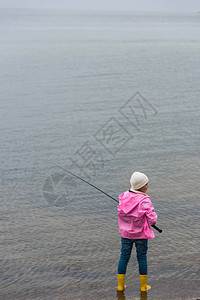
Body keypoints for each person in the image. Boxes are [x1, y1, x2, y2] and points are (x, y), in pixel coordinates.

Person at [117, 171, 158, 292]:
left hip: (126, 234)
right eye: (146, 184)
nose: (148, 185)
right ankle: (143, 287)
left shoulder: (123, 196)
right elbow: (152, 220)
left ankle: (120, 286)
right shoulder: (145, 200)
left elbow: (121, 212)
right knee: (141, 257)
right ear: (141, 186)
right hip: (140, 235)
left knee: (124, 257)